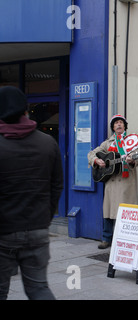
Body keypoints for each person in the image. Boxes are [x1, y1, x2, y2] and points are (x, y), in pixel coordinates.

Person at [0, 86, 63, 300]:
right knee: (39, 288)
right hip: (37, 227)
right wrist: (46, 217)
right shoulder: (47, 142)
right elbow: (57, 185)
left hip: (3, 231)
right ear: (24, 110)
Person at [88, 114, 138, 249]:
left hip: (126, 182)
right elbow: (92, 153)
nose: (118, 125)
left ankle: (123, 239)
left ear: (125, 126)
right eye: (116, 123)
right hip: (111, 183)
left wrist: (132, 160)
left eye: (121, 123)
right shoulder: (107, 143)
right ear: (113, 127)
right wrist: (96, 160)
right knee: (108, 211)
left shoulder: (131, 141)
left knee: (124, 212)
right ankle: (106, 238)